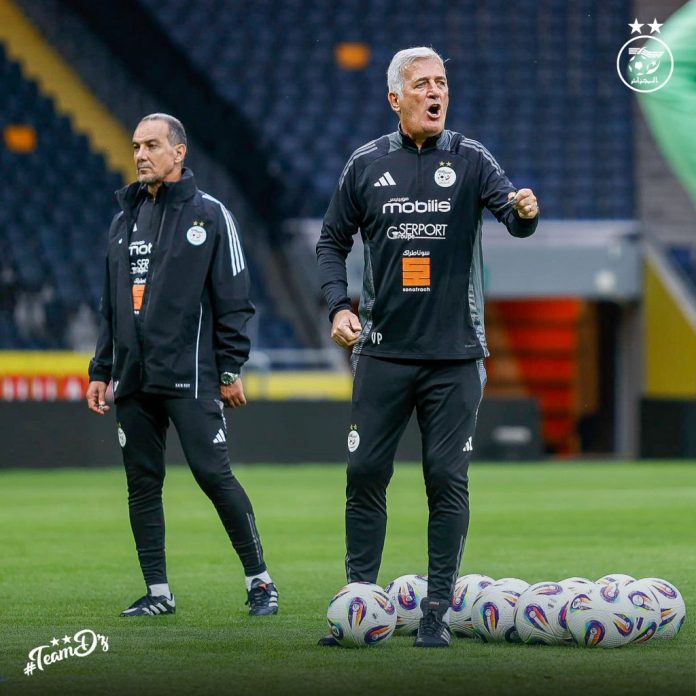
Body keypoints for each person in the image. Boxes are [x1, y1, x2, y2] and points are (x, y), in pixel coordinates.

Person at [316, 47, 539, 648]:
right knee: (365, 473)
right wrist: (339, 306)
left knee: (445, 478)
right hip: (383, 352)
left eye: (441, 82)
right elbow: (331, 242)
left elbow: (513, 216)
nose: (435, 92)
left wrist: (524, 213)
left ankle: (436, 614)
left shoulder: (470, 158)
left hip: (455, 356)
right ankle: (359, 604)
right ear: (396, 98)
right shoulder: (366, 164)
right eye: (422, 84)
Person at [86, 113, 278, 618]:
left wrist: (230, 369)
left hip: (191, 375)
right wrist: (101, 370)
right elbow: (111, 305)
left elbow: (235, 301)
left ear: (179, 152)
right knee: (142, 485)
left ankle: (260, 582)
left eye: (151, 145)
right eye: (136, 146)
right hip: (133, 377)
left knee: (214, 475)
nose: (140, 155)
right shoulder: (123, 220)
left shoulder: (211, 215)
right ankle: (158, 593)